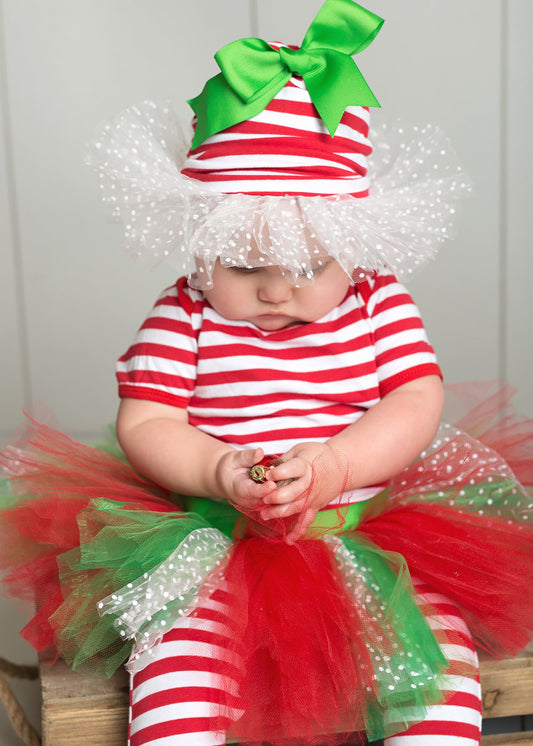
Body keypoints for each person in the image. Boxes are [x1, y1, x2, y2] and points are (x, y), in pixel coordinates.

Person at [1, 1, 532, 745]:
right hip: (213, 543)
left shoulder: (377, 301)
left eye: (309, 267)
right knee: (177, 673)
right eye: (244, 265)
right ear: (200, 243)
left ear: (356, 238)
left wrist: (339, 460)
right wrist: (217, 467)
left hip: (369, 530)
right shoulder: (185, 312)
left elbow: (415, 399)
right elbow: (147, 421)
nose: (277, 290)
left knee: (430, 672)